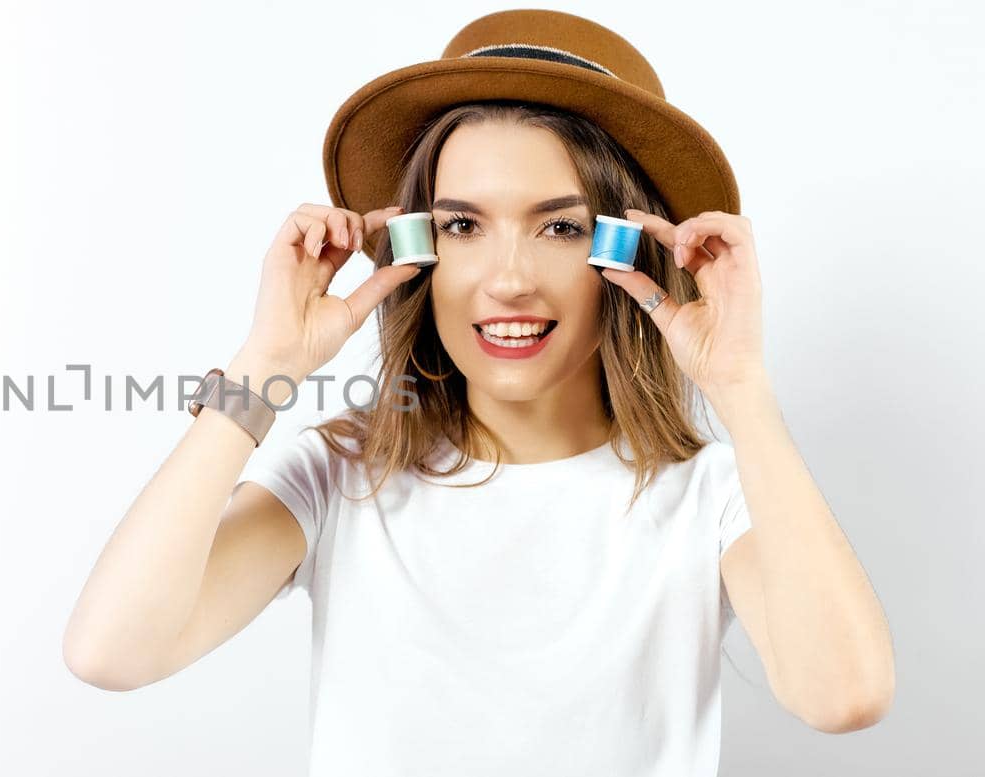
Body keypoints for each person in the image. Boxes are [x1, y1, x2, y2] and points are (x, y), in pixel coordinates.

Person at [62, 9, 894, 776]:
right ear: (422, 251)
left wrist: (741, 387)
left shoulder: (711, 497)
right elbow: (112, 651)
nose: (507, 280)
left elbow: (843, 696)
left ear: (628, 254)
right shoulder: (344, 474)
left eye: (561, 227)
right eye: (462, 225)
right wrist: (264, 364)